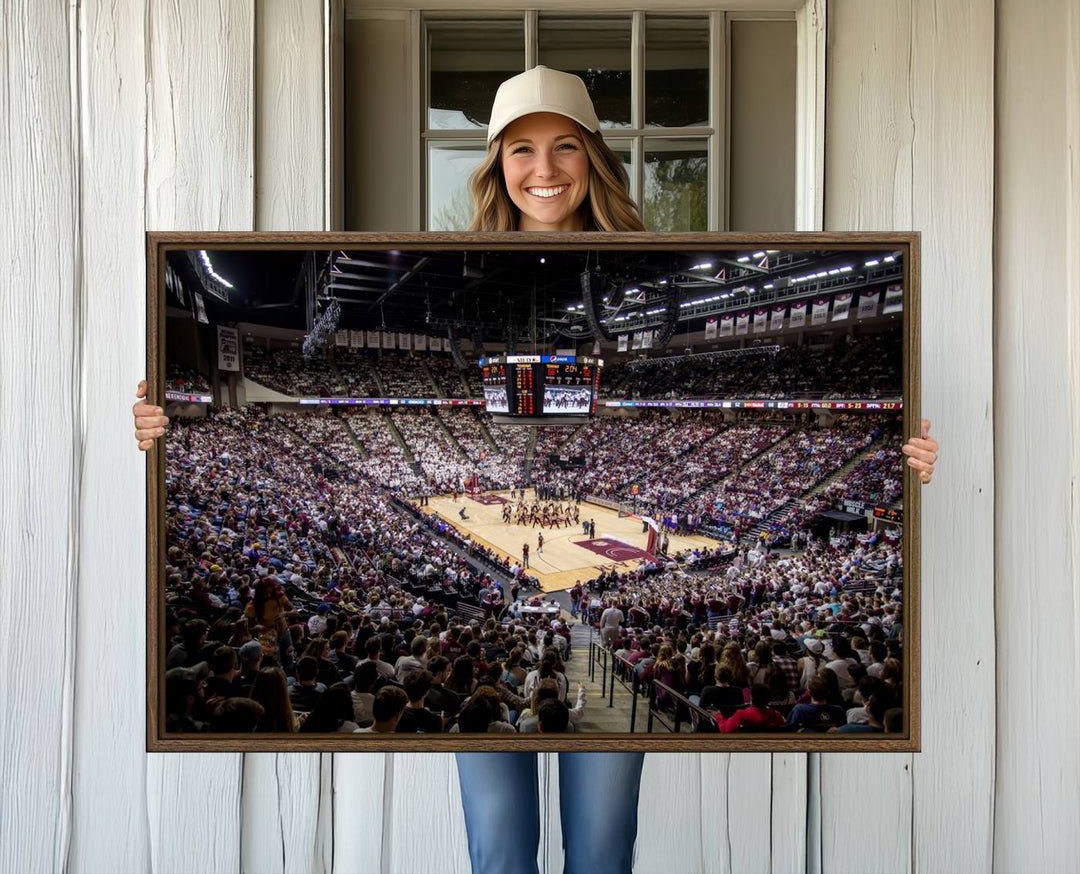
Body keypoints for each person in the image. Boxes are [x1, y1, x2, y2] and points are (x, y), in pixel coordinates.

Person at [134, 64, 939, 874]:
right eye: (521, 149)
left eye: (564, 147)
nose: (544, 169)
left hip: (540, 629)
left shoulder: (666, 258)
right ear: (495, 164)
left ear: (594, 156)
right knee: (501, 855)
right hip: (517, 660)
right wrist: (163, 427)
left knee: (600, 854)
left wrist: (908, 455)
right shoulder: (445, 254)